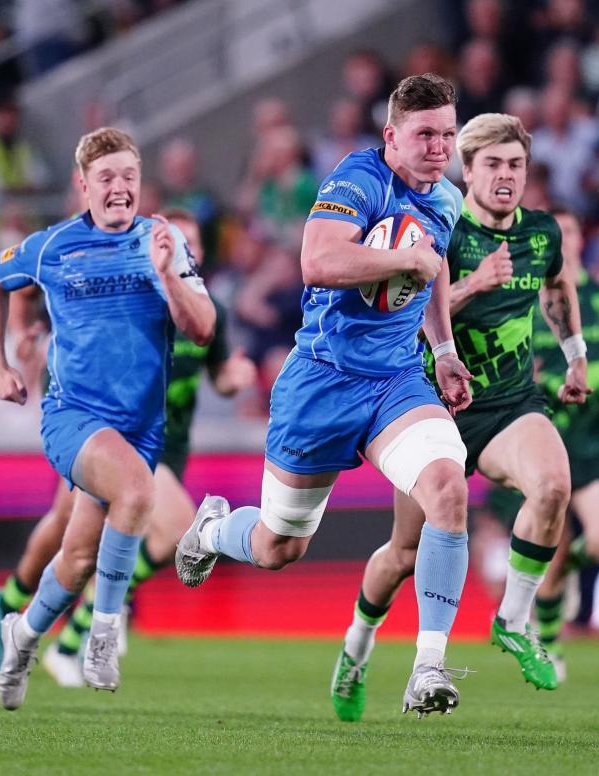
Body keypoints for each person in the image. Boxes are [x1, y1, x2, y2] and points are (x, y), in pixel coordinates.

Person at [175, 74, 474, 719]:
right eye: (425, 134)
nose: (438, 147)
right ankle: (214, 527)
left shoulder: (447, 198)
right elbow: (317, 259)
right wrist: (405, 263)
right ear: (391, 136)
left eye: (447, 135)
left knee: (448, 488)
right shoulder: (357, 179)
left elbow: (437, 261)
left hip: (397, 381)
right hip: (322, 381)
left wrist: (444, 350)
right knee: (279, 545)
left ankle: (428, 668)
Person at [333, 113, 590, 717]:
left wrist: (575, 356)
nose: (506, 176)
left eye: (516, 165)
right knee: (400, 554)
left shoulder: (542, 233)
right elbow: (395, 301)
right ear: (466, 171)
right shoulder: (438, 226)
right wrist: (471, 285)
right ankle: (356, 649)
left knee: (553, 485)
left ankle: (514, 620)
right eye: (493, 165)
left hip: (506, 404)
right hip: (427, 405)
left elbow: (556, 286)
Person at [0, 127, 215, 710]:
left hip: (140, 426)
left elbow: (204, 327)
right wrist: (0, 363)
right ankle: (104, 633)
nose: (119, 188)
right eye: (106, 178)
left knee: (80, 555)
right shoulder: (50, 245)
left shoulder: (163, 241)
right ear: (82, 185)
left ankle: (23, 634)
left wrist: (165, 276)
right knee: (137, 491)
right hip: (72, 418)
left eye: (128, 176)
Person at [486, 209, 599, 681]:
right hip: (537, 436)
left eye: (569, 232)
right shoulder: (521, 296)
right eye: (555, 233)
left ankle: (560, 575)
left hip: (590, 441)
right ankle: (548, 640)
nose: (561, 240)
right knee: (553, 535)